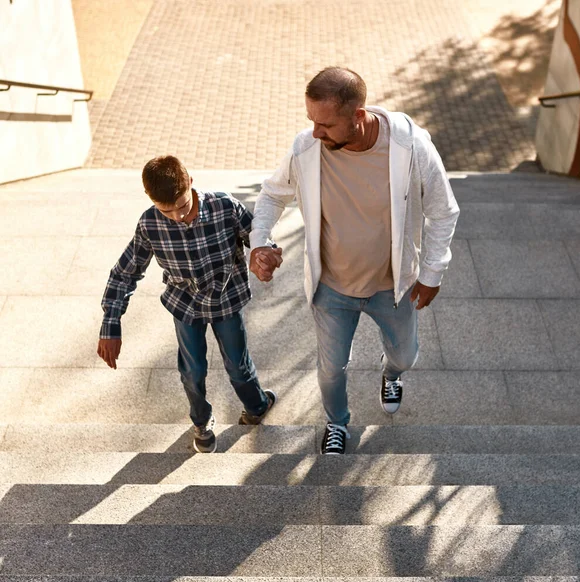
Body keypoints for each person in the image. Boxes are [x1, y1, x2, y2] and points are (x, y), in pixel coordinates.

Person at [249, 67, 459, 454]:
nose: (315, 132)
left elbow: (443, 211)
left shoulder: (411, 149)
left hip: (392, 286)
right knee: (331, 370)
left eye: (326, 124)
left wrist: (432, 272)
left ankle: (390, 374)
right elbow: (272, 195)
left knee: (406, 357)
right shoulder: (306, 148)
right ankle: (336, 423)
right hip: (332, 287)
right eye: (311, 120)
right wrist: (259, 242)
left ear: (358, 117)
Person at [97, 155, 281, 453]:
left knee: (238, 366)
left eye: (182, 206)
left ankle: (256, 406)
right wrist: (110, 325)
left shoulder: (225, 207)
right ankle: (201, 421)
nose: (178, 217)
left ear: (191, 183)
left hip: (226, 301)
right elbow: (124, 274)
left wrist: (266, 255)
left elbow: (257, 238)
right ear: (150, 199)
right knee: (192, 371)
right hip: (185, 306)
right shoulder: (150, 224)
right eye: (166, 210)